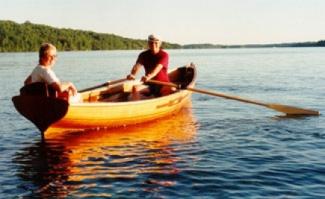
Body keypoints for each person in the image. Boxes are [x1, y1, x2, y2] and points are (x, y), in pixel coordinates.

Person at [126, 34, 172, 100]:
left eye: (156, 43)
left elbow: (157, 69)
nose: (153, 45)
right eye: (151, 42)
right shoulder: (143, 55)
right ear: (148, 43)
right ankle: (149, 99)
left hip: (162, 84)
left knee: (170, 89)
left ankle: (151, 98)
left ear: (160, 43)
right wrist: (132, 75)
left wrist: (149, 76)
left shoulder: (164, 55)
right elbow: (137, 67)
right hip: (150, 84)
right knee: (135, 88)